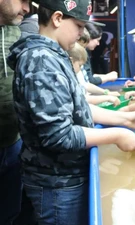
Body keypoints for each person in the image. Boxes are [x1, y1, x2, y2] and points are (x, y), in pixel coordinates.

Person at [7, 1, 135, 225]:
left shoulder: (55, 55)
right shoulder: (41, 61)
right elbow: (58, 135)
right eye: (78, 25)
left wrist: (124, 119)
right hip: (57, 182)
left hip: (65, 175)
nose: (82, 33)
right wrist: (117, 135)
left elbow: (76, 107)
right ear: (57, 18)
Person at [0, 1, 37, 225]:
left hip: (13, 143)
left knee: (10, 213)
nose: (26, 8)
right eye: (22, 0)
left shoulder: (18, 32)